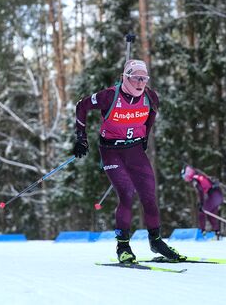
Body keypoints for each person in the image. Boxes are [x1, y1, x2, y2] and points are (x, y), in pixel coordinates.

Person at [73, 59, 186, 263]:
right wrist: (81, 137)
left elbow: (150, 118)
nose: (140, 82)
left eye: (144, 78)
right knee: (126, 194)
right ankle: (123, 247)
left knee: (149, 195)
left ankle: (156, 241)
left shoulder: (151, 97)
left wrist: (144, 139)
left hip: (134, 150)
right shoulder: (109, 96)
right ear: (125, 77)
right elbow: (81, 106)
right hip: (111, 151)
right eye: (136, 78)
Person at [181, 165, 224, 239]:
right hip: (217, 195)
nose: (185, 180)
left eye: (185, 177)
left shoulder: (195, 179)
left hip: (213, 196)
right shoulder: (199, 176)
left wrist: (201, 203)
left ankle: (202, 232)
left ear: (188, 175)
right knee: (211, 214)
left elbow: (200, 191)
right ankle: (217, 232)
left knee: (202, 212)